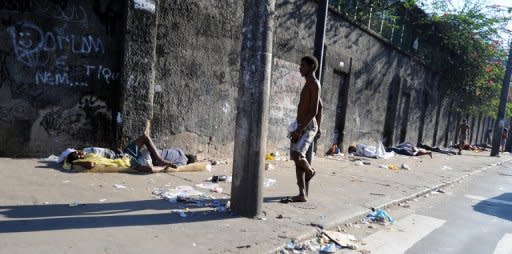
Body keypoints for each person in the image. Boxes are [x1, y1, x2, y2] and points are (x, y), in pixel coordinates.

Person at [283, 56, 321, 203]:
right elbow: (321, 106)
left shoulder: (314, 84)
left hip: (307, 126)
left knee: (298, 154)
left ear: (311, 67)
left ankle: (310, 171)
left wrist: (301, 129)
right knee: (295, 158)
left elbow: (314, 110)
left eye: (303, 65)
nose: (300, 68)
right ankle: (301, 194)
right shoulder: (308, 84)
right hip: (300, 124)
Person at [64, 133, 196, 173]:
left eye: (78, 152)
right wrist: (77, 160)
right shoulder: (83, 160)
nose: (80, 154)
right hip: (123, 160)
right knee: (147, 168)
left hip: (122, 153)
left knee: (145, 137)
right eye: (77, 156)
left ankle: (160, 160)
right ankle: (162, 165)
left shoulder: (85, 150)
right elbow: (91, 164)